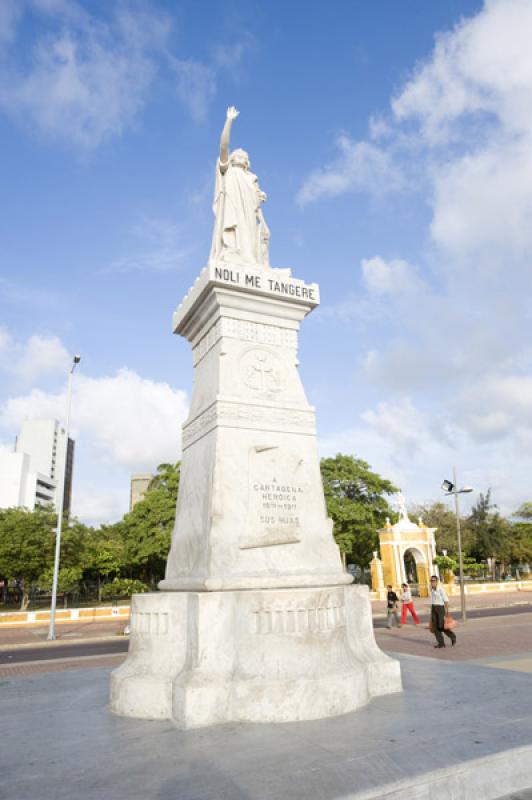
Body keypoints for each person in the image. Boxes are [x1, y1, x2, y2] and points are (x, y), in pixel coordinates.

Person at [210, 106, 270, 267]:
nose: (242, 156)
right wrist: (229, 121)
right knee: (236, 235)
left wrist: (263, 221)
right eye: (239, 154)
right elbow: (223, 146)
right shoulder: (228, 170)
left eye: (245, 156)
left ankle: (250, 260)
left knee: (249, 243)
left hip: (249, 217)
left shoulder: (250, 178)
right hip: (234, 212)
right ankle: (233, 254)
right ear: (232, 158)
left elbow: (257, 208)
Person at [429, 575, 456, 648]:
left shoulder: (440, 589)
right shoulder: (430, 588)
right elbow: (432, 599)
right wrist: (432, 610)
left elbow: (446, 600)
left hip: (440, 608)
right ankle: (441, 643)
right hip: (434, 607)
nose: (432, 582)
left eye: (433, 581)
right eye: (431, 581)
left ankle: (452, 636)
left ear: (437, 581)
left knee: (441, 626)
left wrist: (447, 612)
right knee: (435, 627)